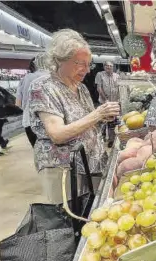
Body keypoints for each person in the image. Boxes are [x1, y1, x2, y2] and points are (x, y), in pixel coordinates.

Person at [29, 29, 120, 204]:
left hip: (91, 162)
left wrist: (102, 118)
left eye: (89, 64)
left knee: (93, 210)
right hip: (65, 168)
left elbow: (84, 121)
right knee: (73, 218)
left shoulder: (81, 88)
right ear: (59, 60)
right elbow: (57, 134)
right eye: (80, 63)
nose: (86, 70)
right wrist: (98, 113)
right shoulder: (44, 88)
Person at [16, 54, 49, 147]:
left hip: (30, 121)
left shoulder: (26, 78)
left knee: (39, 152)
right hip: (54, 122)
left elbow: (18, 103)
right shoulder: (55, 77)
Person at [95, 61, 119, 147]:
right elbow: (99, 88)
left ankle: (111, 140)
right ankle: (101, 138)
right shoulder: (100, 74)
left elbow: (119, 87)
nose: (109, 68)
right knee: (103, 121)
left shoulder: (117, 76)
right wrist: (106, 99)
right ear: (104, 67)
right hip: (104, 102)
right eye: (107, 66)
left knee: (112, 121)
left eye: (111, 66)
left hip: (114, 102)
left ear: (113, 67)